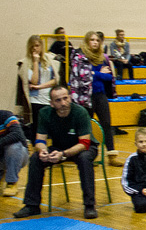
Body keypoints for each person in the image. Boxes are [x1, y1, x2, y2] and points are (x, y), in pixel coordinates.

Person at [13, 85, 99, 219]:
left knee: (84, 159)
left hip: (83, 147)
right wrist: (43, 151)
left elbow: (84, 143)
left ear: (70, 98)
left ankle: (89, 205)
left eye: (65, 98)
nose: (63, 103)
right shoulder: (45, 113)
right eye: (58, 100)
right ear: (51, 103)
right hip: (59, 146)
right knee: (36, 158)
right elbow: (40, 140)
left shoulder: (80, 112)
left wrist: (63, 154)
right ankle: (32, 205)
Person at [69, 31, 125, 167]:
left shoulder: (103, 57)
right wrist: (99, 73)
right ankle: (87, 155)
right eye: (92, 40)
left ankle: (111, 154)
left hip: (100, 95)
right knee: (86, 126)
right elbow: (82, 76)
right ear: (87, 41)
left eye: (97, 40)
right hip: (85, 96)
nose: (95, 42)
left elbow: (109, 77)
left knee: (107, 123)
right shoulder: (80, 57)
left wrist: (95, 74)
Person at [18, 34, 59, 132]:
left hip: (49, 98)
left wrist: (39, 86)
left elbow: (55, 80)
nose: (34, 49)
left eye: (37, 46)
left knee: (50, 128)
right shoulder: (26, 63)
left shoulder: (49, 60)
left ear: (41, 46)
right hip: (35, 99)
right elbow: (34, 81)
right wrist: (35, 62)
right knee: (37, 128)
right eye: (32, 46)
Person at [0, 110, 28, 197]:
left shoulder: (6, 115)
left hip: (19, 155)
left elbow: (17, 134)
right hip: (1, 158)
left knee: (14, 146)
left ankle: (12, 182)